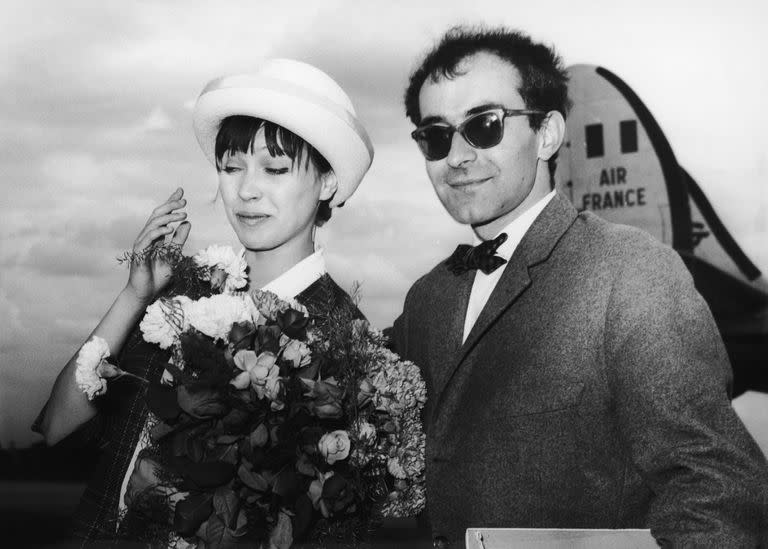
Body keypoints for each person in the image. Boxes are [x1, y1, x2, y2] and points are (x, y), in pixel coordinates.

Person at [391, 26, 768, 546]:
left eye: (484, 125)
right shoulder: (427, 299)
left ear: (547, 133)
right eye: (435, 135)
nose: (456, 155)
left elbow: (719, 492)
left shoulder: (631, 273)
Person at [34, 58, 373, 545]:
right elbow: (58, 427)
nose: (247, 190)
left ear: (328, 182)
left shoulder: (348, 342)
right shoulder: (185, 293)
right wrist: (134, 296)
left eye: (274, 168)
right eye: (231, 166)